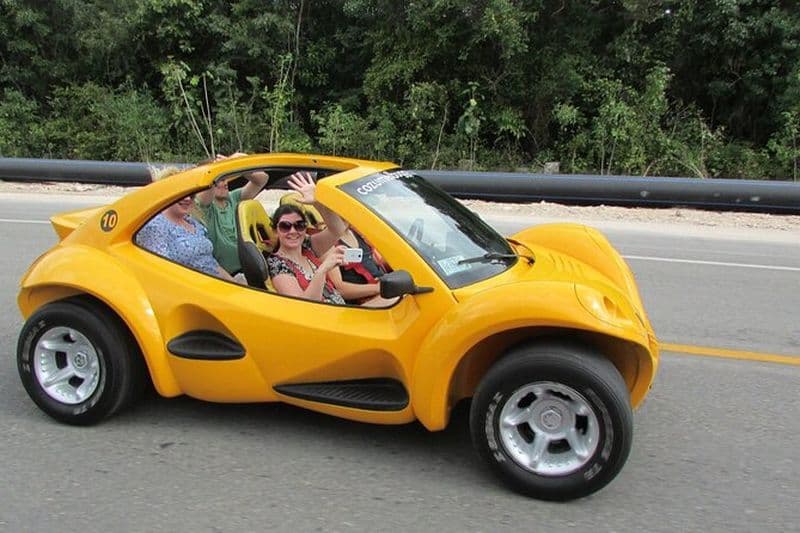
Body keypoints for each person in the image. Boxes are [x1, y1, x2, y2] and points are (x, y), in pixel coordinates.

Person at [266, 172, 394, 307]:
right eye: (285, 226)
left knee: (403, 296)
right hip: (330, 316)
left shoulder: (307, 246)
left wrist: (318, 202)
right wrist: (323, 270)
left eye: (299, 225)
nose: (293, 231)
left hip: (342, 308)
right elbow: (303, 307)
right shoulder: (278, 265)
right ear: (275, 231)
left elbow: (337, 230)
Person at [136, 193, 240, 282]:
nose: (187, 198)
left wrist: (234, 284)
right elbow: (161, 273)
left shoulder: (192, 222)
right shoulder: (155, 226)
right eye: (181, 194)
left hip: (216, 285)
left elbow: (210, 264)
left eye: (191, 195)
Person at [195, 152, 269, 274]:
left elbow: (262, 179)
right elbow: (206, 188)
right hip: (224, 276)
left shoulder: (234, 198)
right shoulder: (204, 206)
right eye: (220, 179)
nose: (225, 183)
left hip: (249, 268)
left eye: (226, 178)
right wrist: (219, 168)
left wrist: (238, 165)